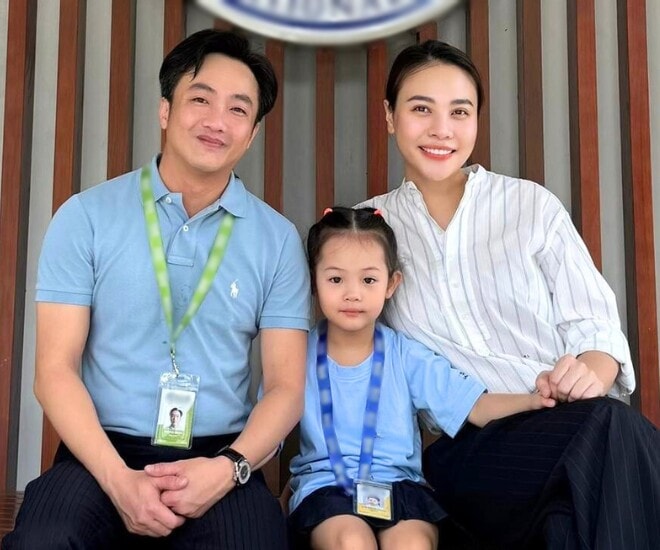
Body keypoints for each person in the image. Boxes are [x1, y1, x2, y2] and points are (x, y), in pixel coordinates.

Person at [3, 30, 309, 549]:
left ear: (253, 133)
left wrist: (229, 467)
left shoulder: (277, 240)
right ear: (165, 110)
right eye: (201, 99)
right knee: (45, 540)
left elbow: (285, 387)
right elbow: (54, 371)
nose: (217, 121)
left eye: (238, 109)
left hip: (219, 457)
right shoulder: (86, 217)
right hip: (101, 452)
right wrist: (119, 481)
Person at [358, 40, 660, 549]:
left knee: (565, 522)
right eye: (421, 109)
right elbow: (344, 350)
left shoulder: (530, 206)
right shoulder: (368, 230)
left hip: (570, 423)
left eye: (460, 112)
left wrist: (590, 371)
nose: (442, 129)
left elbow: (595, 327)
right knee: (611, 426)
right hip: (469, 450)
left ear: (477, 119)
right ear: (390, 116)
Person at [287, 206, 557, 550]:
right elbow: (271, 417)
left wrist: (533, 399)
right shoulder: (295, 354)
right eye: (336, 279)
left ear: (391, 284)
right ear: (313, 281)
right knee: (351, 541)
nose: (353, 293)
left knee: (411, 544)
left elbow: (473, 406)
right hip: (327, 488)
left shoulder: (405, 355)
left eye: (368, 280)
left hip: (399, 489)